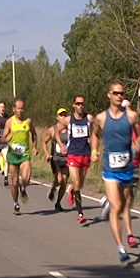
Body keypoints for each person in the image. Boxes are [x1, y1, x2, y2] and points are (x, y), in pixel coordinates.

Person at [91, 80, 140, 263]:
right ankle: (121, 247)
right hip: (110, 169)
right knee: (117, 207)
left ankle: (108, 202)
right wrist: (94, 151)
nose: (120, 96)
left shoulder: (132, 116)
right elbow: (95, 135)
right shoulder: (101, 118)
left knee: (125, 204)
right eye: (116, 93)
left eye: (122, 93)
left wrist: (138, 143)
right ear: (109, 95)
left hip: (127, 168)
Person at [101, 99, 140, 219]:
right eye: (124, 108)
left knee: (131, 196)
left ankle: (108, 201)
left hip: (134, 165)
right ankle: (110, 202)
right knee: (120, 191)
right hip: (117, 165)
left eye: (129, 108)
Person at [56, 95, 94, 224]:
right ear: (73, 105)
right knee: (77, 181)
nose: (80, 106)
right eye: (78, 104)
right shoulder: (68, 120)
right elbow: (56, 131)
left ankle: (72, 189)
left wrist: (93, 144)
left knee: (80, 184)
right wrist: (61, 145)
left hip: (85, 154)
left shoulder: (89, 118)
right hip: (72, 154)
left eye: (82, 104)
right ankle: (80, 213)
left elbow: (97, 131)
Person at [2, 98, 38, 215]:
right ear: (14, 109)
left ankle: (23, 189)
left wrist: (35, 147)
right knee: (15, 182)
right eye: (18, 108)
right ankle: (16, 204)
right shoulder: (10, 122)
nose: (21, 110)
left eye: (22, 108)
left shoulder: (28, 121)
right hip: (13, 155)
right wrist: (9, 137)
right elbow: (3, 138)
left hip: (24, 154)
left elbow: (34, 134)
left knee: (26, 177)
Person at [42, 107, 70, 212]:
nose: (63, 117)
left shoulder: (70, 129)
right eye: (61, 115)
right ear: (57, 117)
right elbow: (44, 142)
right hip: (56, 159)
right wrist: (47, 154)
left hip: (67, 159)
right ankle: (53, 188)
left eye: (64, 115)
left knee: (64, 182)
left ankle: (58, 203)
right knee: (59, 179)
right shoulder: (52, 130)